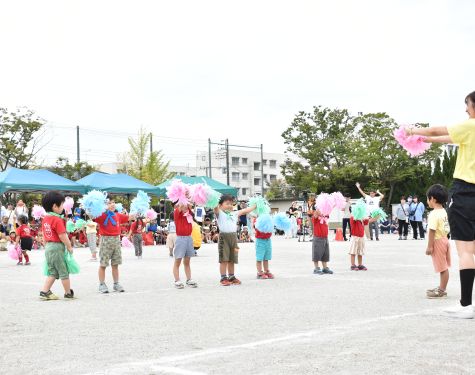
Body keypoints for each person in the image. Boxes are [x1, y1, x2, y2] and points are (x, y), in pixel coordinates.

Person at [407, 91, 475, 318]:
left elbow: (440, 130)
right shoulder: (468, 130)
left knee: (466, 251)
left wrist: (412, 131)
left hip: (466, 191)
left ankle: (467, 305)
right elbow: (449, 138)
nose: (466, 110)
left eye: (467, 106)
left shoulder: (471, 125)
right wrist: (426, 140)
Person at [214, 195, 256, 286]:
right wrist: (213, 200)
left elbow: (245, 210)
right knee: (224, 259)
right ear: (220, 205)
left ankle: (232, 277)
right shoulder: (219, 213)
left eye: (231, 204)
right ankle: (223, 278)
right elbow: (215, 208)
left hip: (233, 237)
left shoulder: (234, 213)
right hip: (223, 237)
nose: (229, 205)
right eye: (227, 203)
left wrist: (256, 205)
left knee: (232, 259)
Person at [39, 191, 74, 300]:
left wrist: (46, 245)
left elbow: (44, 234)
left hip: (49, 247)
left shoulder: (45, 219)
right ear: (55, 206)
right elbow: (63, 235)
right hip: (57, 247)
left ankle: (45, 292)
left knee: (52, 271)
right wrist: (69, 246)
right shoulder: (57, 219)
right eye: (62, 204)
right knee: (64, 271)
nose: (63, 207)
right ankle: (68, 293)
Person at [94, 198, 130, 294]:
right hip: (105, 240)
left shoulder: (117, 215)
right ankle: (102, 284)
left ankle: (116, 283)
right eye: (109, 203)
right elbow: (91, 216)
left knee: (115, 264)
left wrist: (138, 210)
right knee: (103, 264)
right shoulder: (101, 215)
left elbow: (130, 217)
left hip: (116, 240)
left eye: (113, 202)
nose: (112, 204)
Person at [425, 184, 451, 299]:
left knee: (442, 267)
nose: (427, 201)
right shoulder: (444, 211)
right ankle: (441, 287)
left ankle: (441, 290)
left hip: (438, 241)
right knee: (443, 266)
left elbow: (432, 231)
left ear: (433, 199)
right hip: (445, 239)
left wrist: (430, 247)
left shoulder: (434, 214)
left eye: (428, 198)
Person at [172, 203, 198, 289]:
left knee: (187, 261)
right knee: (178, 261)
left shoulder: (189, 213)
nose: (186, 206)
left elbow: (190, 205)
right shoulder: (176, 212)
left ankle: (189, 279)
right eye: (184, 205)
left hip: (189, 238)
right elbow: (181, 206)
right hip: (180, 238)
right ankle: (177, 280)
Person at [311, 209, 333, 275]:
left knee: (325, 254)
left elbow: (328, 212)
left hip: (325, 237)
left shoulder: (325, 218)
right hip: (318, 238)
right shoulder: (315, 218)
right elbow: (315, 214)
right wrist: (319, 209)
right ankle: (316, 268)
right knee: (316, 253)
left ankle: (325, 267)